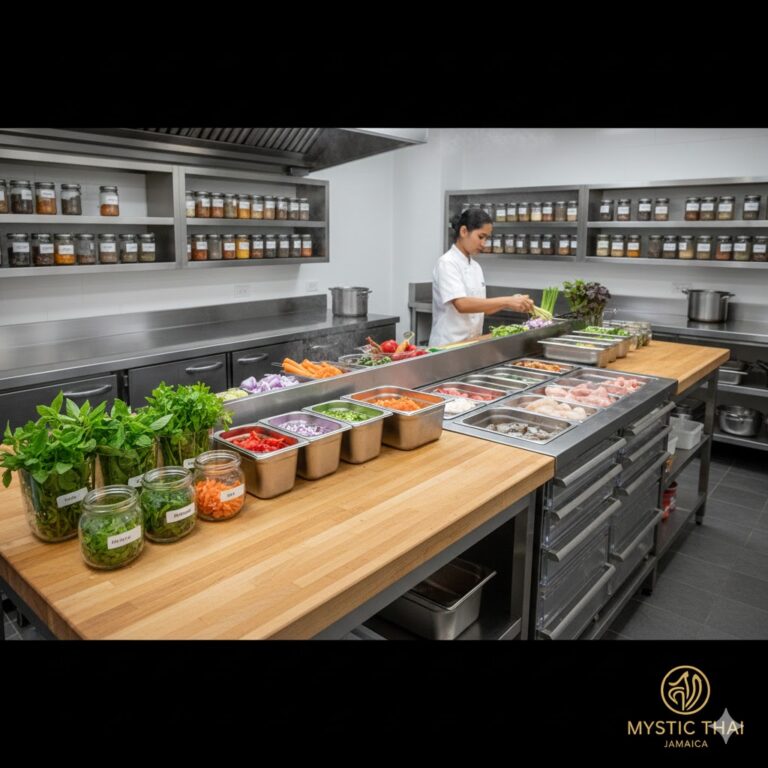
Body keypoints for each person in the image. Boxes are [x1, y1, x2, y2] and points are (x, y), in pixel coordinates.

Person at [428, 208, 535, 347]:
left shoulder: (476, 267)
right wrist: (508, 301)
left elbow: (484, 307)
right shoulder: (447, 263)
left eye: (487, 238)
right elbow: (462, 305)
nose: (484, 244)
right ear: (464, 231)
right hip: (447, 345)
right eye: (480, 237)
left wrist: (513, 302)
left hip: (471, 344)